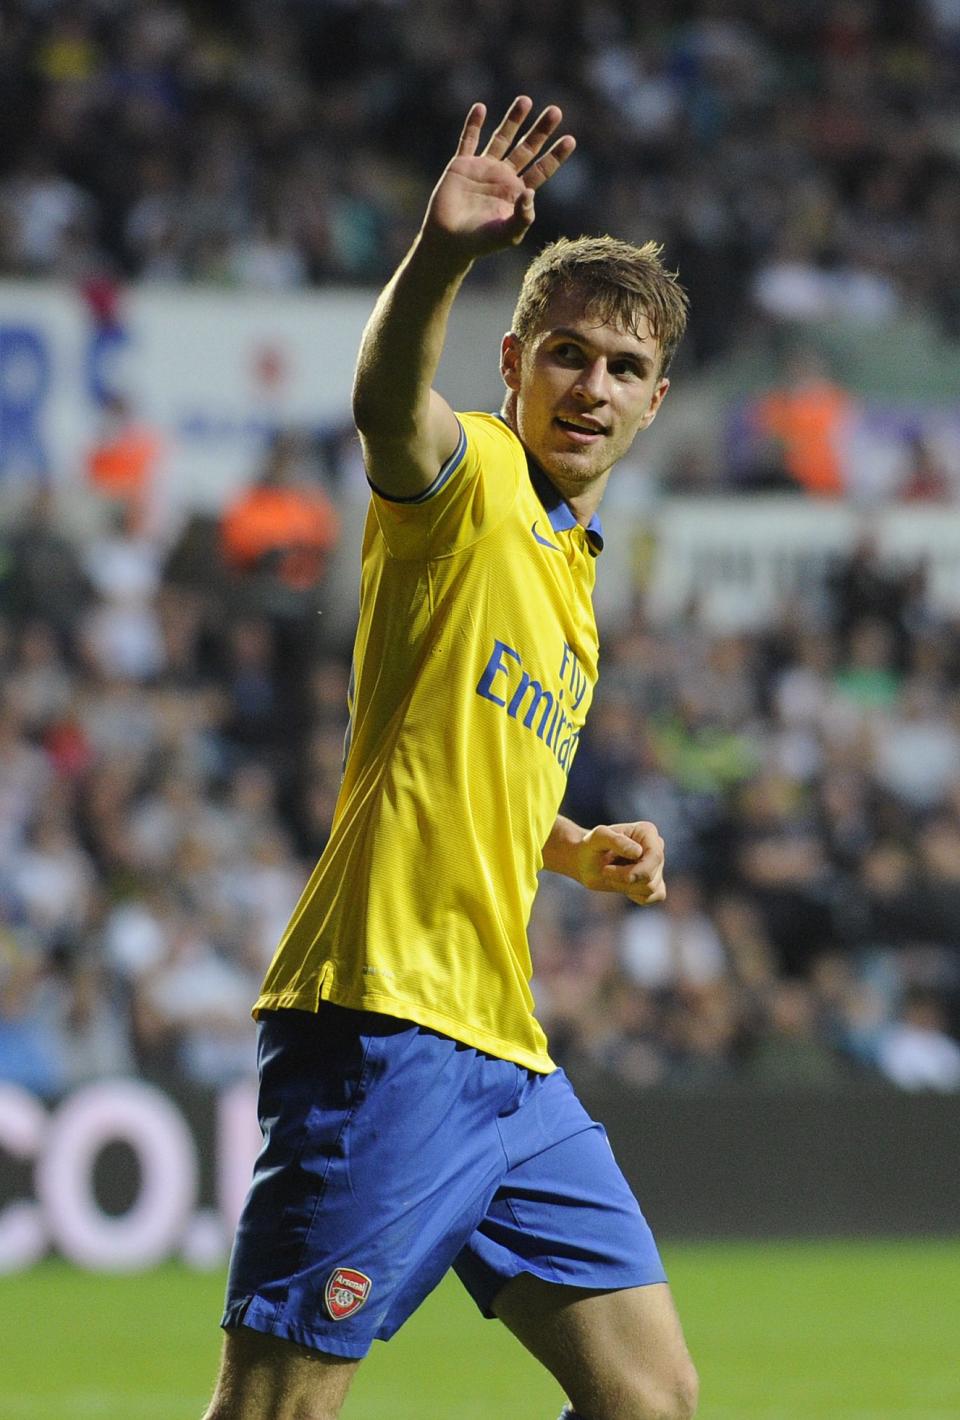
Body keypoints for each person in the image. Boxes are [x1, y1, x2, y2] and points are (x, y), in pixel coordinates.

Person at [204, 97, 696, 1420]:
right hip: (386, 1021)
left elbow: (472, 757)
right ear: (514, 363)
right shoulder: (467, 479)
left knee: (651, 1397)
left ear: (659, 399)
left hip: (507, 1050)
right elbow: (383, 404)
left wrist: (573, 844)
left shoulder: (575, 584)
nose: (591, 389)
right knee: (279, 1407)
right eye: (568, 357)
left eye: (623, 369)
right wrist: (438, 250)